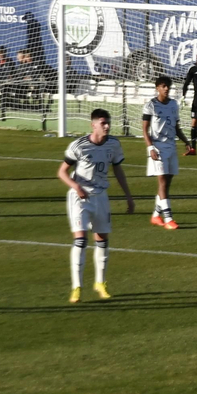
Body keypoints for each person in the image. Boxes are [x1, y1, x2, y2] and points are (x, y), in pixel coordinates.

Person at [58, 108, 134, 303]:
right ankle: (77, 287)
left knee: (102, 239)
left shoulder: (114, 145)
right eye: (103, 123)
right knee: (81, 240)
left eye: (108, 122)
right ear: (93, 125)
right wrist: (76, 187)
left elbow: (118, 170)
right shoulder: (79, 145)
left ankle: (100, 283)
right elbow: (62, 172)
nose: (107, 126)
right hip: (79, 198)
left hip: (101, 196)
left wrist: (129, 196)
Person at [142, 75, 183, 229]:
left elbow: (177, 127)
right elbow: (145, 130)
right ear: (157, 88)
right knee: (162, 182)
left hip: (171, 146)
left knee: (167, 183)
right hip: (157, 147)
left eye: (168, 86)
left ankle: (155, 215)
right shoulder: (150, 105)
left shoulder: (174, 104)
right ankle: (168, 219)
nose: (166, 89)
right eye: (163, 86)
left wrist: (186, 141)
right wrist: (150, 147)